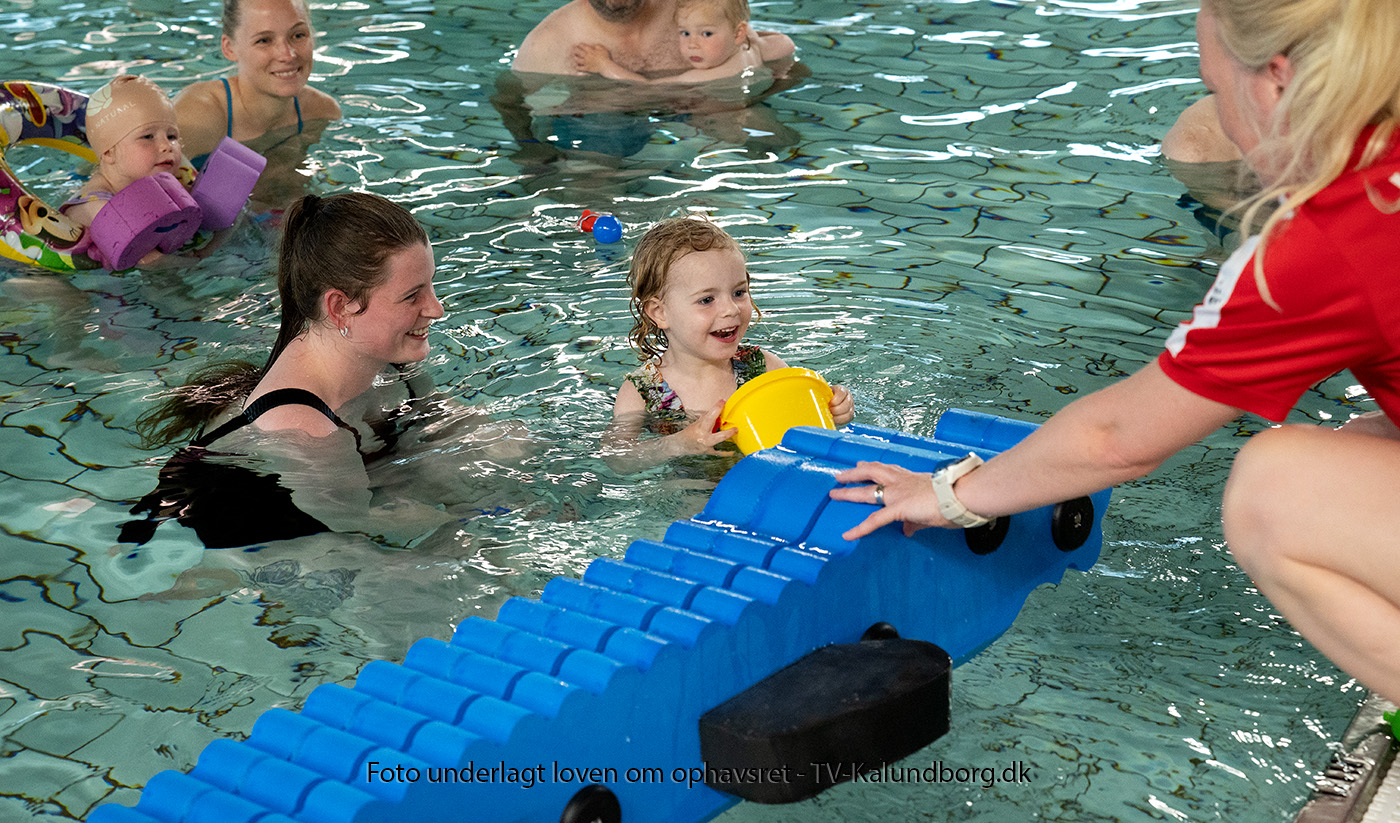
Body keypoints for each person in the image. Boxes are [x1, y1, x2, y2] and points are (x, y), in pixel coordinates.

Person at [831, 0, 1400, 704]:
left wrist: (947, 494)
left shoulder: (1329, 236)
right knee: (1366, 442)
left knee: (1278, 490)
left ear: (1276, 81)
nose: (1223, 121)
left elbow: (1118, 439)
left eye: (1216, 89)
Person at [124, 192, 452, 548]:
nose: (437, 309)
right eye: (412, 296)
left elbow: (445, 429)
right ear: (340, 307)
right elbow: (362, 528)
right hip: (249, 537)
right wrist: (472, 519)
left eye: (431, 284)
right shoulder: (305, 430)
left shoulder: (390, 358)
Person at [605, 216, 854, 468]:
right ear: (660, 313)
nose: (731, 309)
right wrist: (678, 444)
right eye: (707, 300)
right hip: (691, 488)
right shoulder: (642, 391)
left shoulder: (762, 368)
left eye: (738, 292)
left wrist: (834, 407)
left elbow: (804, 426)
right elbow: (617, 458)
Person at [174, 0, 340, 171]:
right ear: (229, 48)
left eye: (298, 35)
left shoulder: (321, 112)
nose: (288, 55)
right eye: (264, 40)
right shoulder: (196, 118)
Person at [63, 75, 190, 230]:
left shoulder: (175, 181)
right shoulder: (96, 211)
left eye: (171, 136)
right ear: (109, 152)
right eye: (148, 137)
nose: (166, 146)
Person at [572, 0, 794, 84]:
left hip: (720, 118)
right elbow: (787, 44)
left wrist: (604, 66)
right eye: (685, 33)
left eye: (706, 34)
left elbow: (646, 86)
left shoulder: (699, 77)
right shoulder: (753, 48)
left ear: (738, 34)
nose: (692, 44)